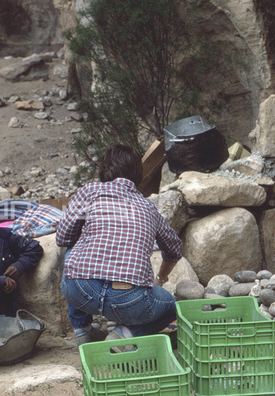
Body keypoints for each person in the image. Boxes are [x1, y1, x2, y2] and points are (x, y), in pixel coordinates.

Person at [56, 144, 182, 345]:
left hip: (79, 289)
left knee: (74, 242)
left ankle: (82, 329)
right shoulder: (148, 207)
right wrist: (160, 278)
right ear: (138, 174)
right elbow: (174, 249)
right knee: (172, 308)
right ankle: (124, 334)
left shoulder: (89, 191)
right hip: (130, 300)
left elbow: (62, 238)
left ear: (104, 169)